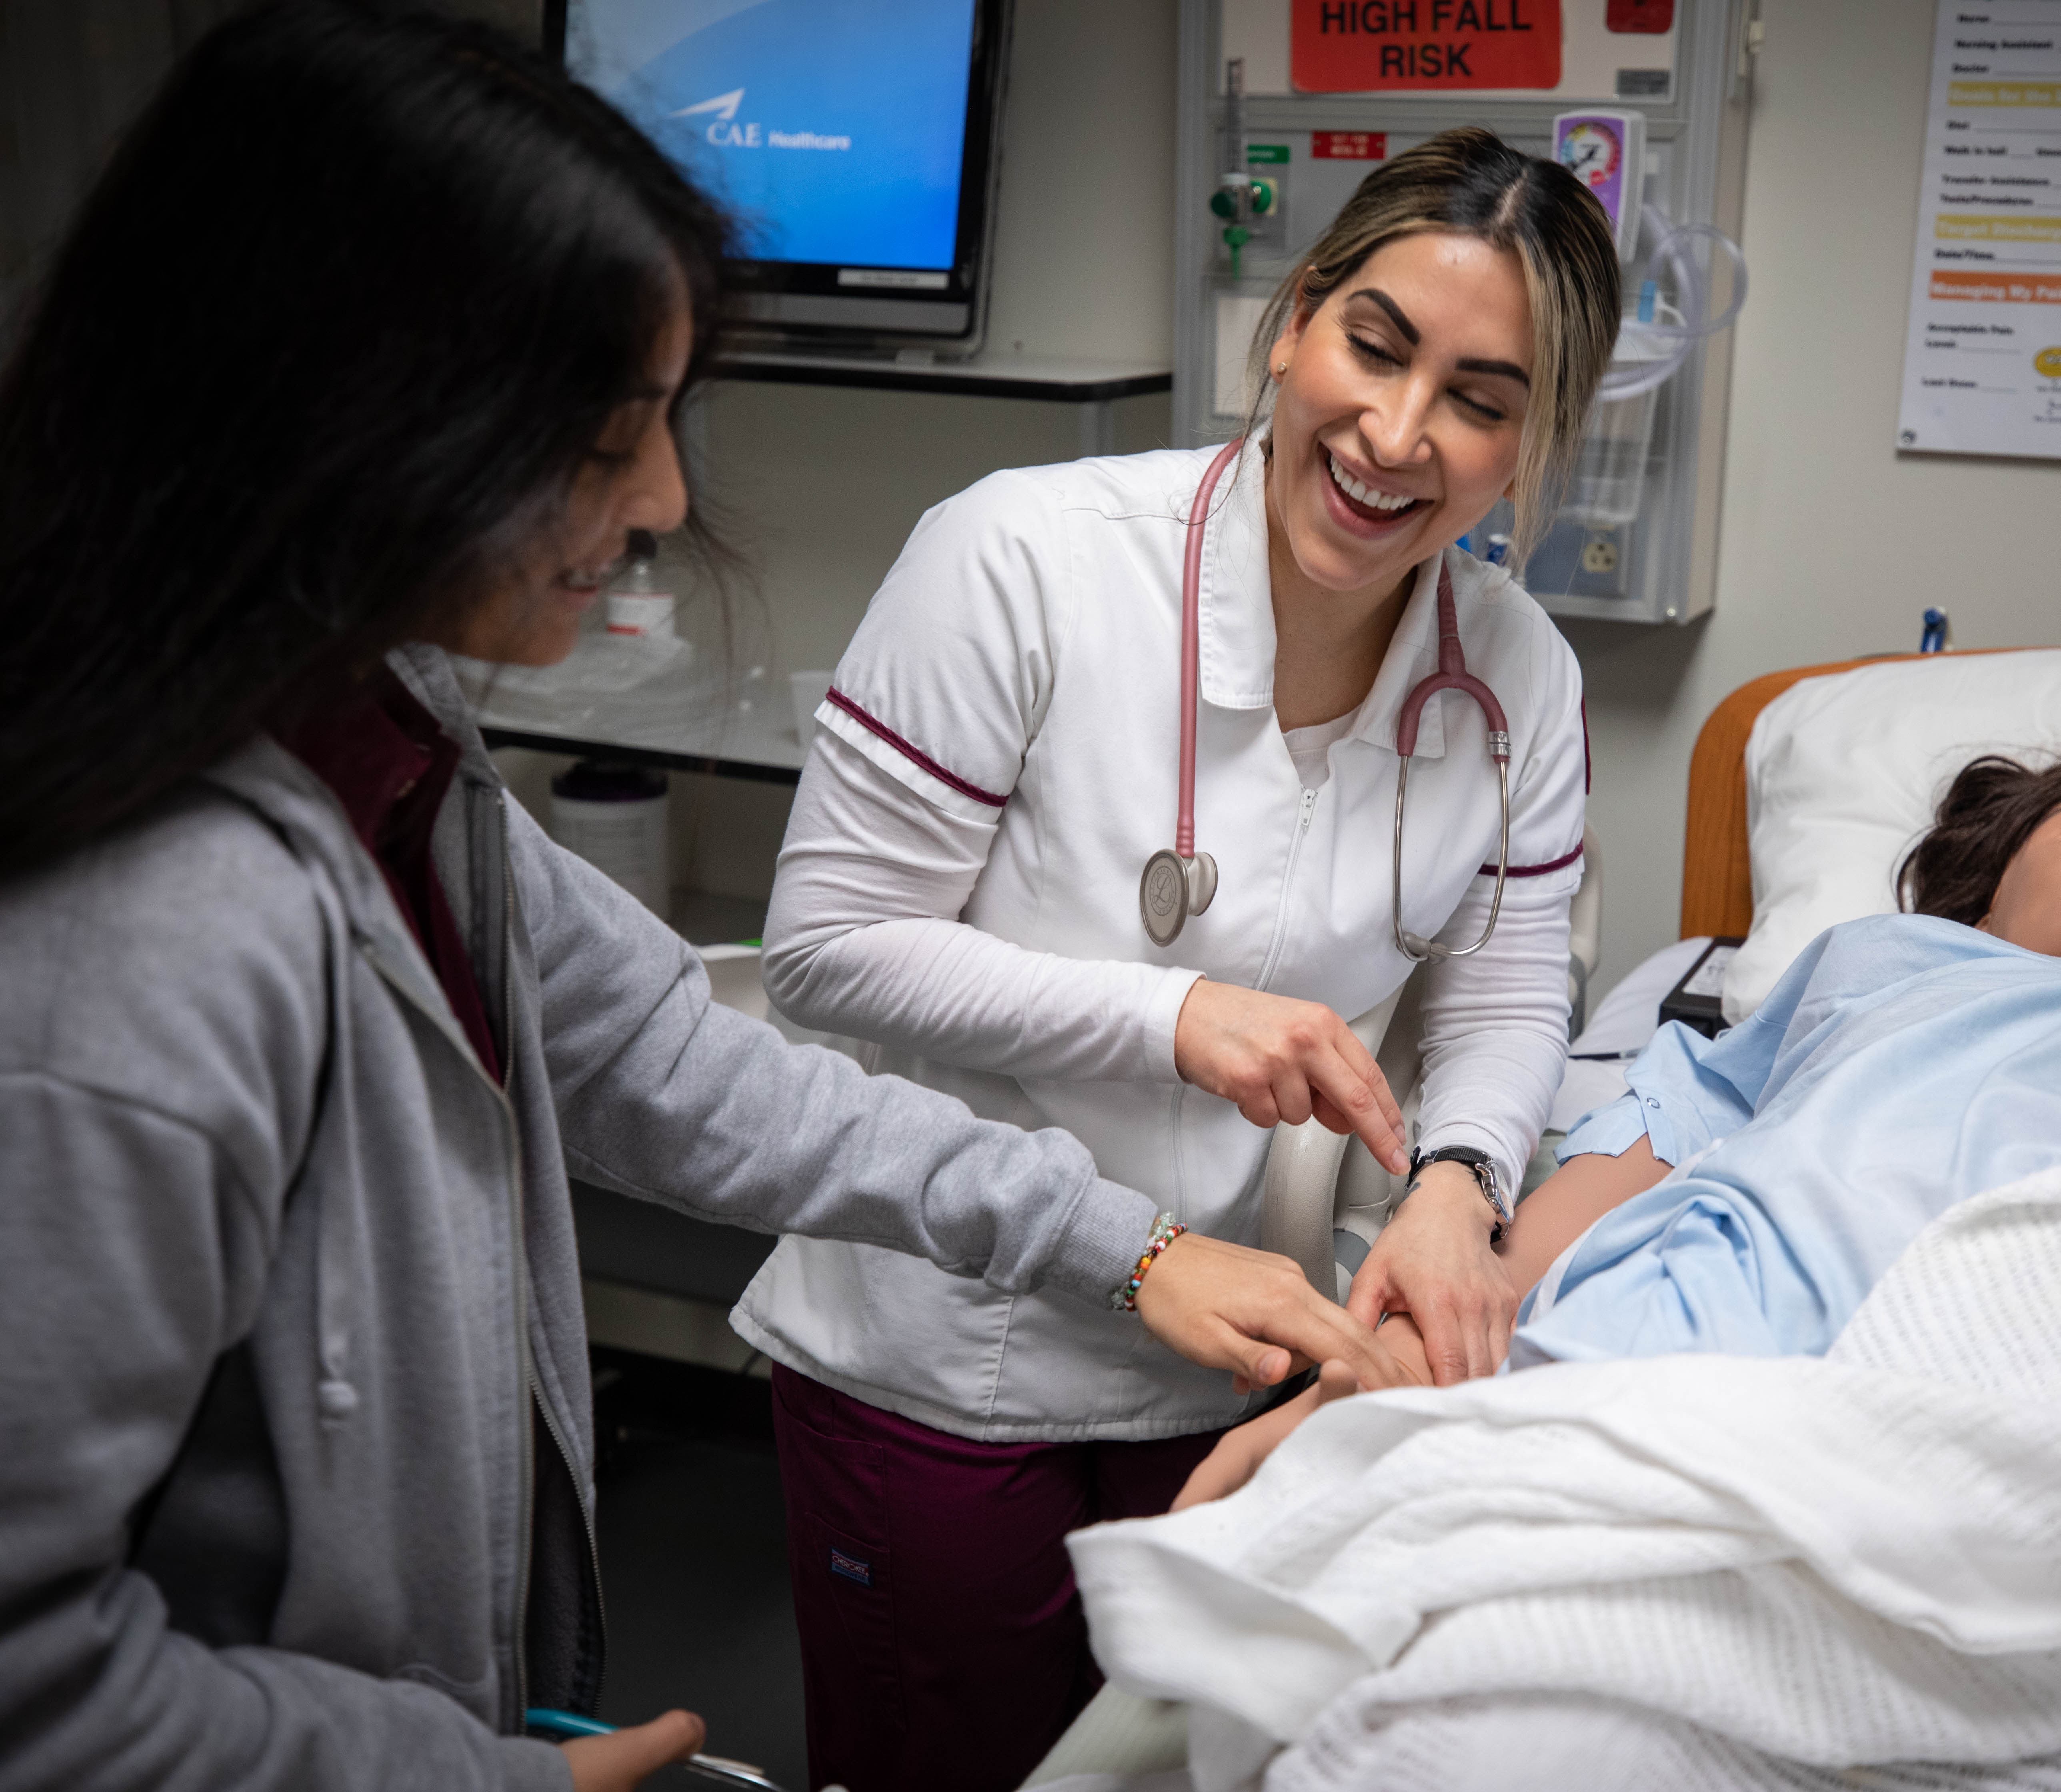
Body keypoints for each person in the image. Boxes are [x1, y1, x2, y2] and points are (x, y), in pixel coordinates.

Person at [0, 8, 1403, 1791]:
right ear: (360, 411)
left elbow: (683, 1059)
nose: (663, 500)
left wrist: (1116, 1241)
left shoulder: (383, 736)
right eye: (609, 433)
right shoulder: (145, 943)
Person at [744, 127, 1619, 1788]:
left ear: (1532, 445)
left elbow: (1506, 986)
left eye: (1484, 398)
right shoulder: (1022, 557)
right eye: (1374, 345)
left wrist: (1455, 1180)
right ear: (1293, 321)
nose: (1399, 432)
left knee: (1179, 1765)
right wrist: (1176, 1016)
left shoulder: (1516, 675)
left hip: (1232, 1343)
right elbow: (828, 949)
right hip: (947, 1334)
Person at [1176, 751, 2061, 1506]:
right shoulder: (1877, 971)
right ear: (1985, 898)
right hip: (1839, 1295)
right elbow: (1659, 1146)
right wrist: (1432, 1361)